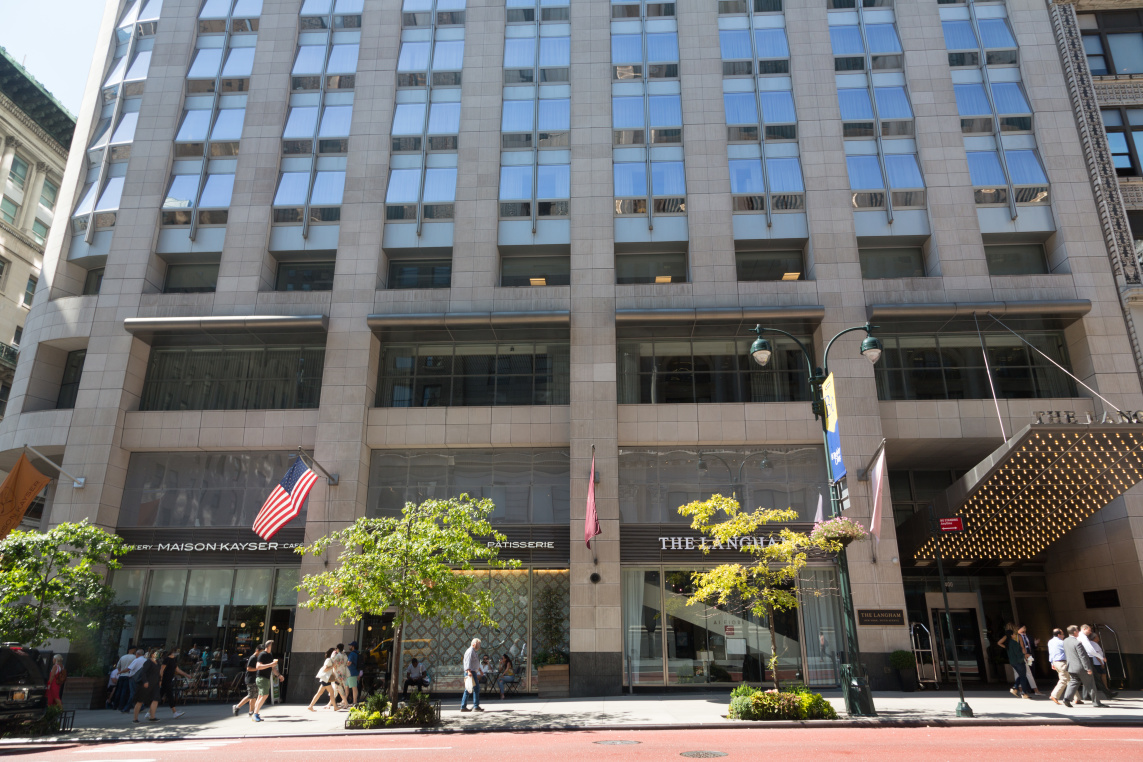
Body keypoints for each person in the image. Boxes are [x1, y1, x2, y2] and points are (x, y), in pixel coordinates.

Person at [1062, 624, 1100, 708]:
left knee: (1073, 682)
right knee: (1090, 684)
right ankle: (1096, 703)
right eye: (1077, 630)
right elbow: (1082, 656)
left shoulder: (1065, 641)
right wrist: (1088, 668)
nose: (1079, 632)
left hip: (1071, 667)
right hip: (1080, 667)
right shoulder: (1077, 643)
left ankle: (1066, 699)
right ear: (1075, 632)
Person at [1078, 625, 1117, 700]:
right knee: (1095, 677)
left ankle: (1086, 695)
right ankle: (1107, 693)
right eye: (1089, 630)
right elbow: (1090, 650)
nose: (1090, 632)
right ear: (1084, 629)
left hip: (1084, 659)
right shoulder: (1083, 637)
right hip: (1087, 659)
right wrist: (1101, 657)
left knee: (1089, 678)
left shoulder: (1080, 637)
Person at [997, 623, 1032, 698]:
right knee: (1023, 676)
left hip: (1013, 662)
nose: (1014, 635)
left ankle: (1016, 688)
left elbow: (999, 643)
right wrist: (1025, 655)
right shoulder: (1014, 643)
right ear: (1011, 635)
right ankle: (1023, 692)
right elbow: (1018, 653)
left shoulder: (1008, 644)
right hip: (1019, 661)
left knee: (1021, 675)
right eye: (1013, 634)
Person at [250, 640, 280, 722]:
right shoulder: (262, 654)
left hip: (265, 678)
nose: (274, 647)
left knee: (260, 696)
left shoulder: (270, 655)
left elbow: (273, 668)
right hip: (261, 678)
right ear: (269, 646)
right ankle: (255, 714)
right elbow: (258, 666)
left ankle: (254, 713)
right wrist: (270, 664)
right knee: (265, 695)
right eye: (273, 645)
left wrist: (279, 675)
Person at [234, 642, 263, 718]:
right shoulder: (253, 657)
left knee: (254, 696)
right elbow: (248, 668)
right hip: (250, 679)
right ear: (257, 650)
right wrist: (257, 669)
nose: (261, 654)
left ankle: (251, 711)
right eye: (261, 652)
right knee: (250, 695)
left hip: (254, 679)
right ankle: (237, 706)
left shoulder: (257, 658)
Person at [158, 648, 190, 719]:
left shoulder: (174, 660)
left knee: (160, 695)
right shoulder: (167, 659)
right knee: (169, 695)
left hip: (168, 680)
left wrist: (186, 675)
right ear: (172, 652)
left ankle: (149, 712)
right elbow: (162, 670)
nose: (177, 653)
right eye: (176, 652)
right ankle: (175, 712)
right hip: (165, 680)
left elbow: (177, 670)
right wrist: (160, 679)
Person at [132, 650, 161, 722]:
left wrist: (160, 680)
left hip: (155, 683)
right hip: (146, 683)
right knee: (140, 700)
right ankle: (135, 718)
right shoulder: (148, 662)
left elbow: (158, 673)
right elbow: (143, 672)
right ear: (152, 655)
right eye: (155, 654)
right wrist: (145, 681)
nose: (157, 655)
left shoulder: (158, 663)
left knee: (155, 699)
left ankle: (152, 716)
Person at [460, 637, 483, 713]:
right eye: (478, 644)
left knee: (468, 689)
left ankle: (464, 706)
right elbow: (468, 662)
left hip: (473, 672)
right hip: (471, 672)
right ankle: (475, 706)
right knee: (474, 688)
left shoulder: (473, 651)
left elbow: (475, 662)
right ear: (474, 644)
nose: (479, 646)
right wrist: (468, 671)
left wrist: (479, 669)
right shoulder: (470, 651)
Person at [1048, 628, 1069, 706]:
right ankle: (1054, 695)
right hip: (1062, 662)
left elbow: (1051, 653)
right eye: (1063, 634)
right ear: (1059, 635)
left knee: (1070, 679)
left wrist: (1051, 663)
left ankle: (1077, 698)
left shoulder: (1050, 641)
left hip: (1055, 662)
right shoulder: (1062, 642)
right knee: (1064, 679)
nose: (1064, 636)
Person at [1017, 624, 1038, 695]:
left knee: (1031, 671)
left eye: (1025, 628)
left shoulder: (1029, 637)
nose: (1024, 630)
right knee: (1024, 672)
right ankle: (1024, 688)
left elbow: (1033, 646)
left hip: (1030, 656)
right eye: (1022, 628)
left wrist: (1035, 644)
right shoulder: (1016, 637)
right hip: (1022, 656)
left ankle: (1032, 688)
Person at [330, 644, 351, 709]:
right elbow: (346, 663)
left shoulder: (338, 655)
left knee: (338, 688)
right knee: (341, 688)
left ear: (338, 649)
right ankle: (331, 703)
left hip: (338, 673)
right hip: (343, 672)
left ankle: (345, 703)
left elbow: (333, 662)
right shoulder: (345, 655)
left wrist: (332, 655)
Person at [345, 641, 360, 707]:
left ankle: (354, 702)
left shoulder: (352, 654)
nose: (349, 647)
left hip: (351, 673)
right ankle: (344, 701)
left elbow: (349, 662)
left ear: (353, 647)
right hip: (352, 672)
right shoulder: (356, 653)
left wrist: (344, 664)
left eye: (350, 646)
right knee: (347, 687)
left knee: (353, 687)